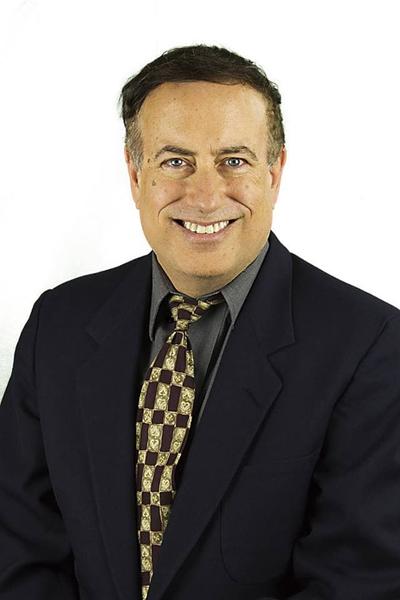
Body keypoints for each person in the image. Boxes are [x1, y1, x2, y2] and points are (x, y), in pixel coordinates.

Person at [0, 44, 399, 600]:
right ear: (135, 175)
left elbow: (357, 583)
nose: (206, 196)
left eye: (233, 161)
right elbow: (17, 548)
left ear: (274, 173)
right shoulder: (58, 325)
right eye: (175, 161)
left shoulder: (370, 346)